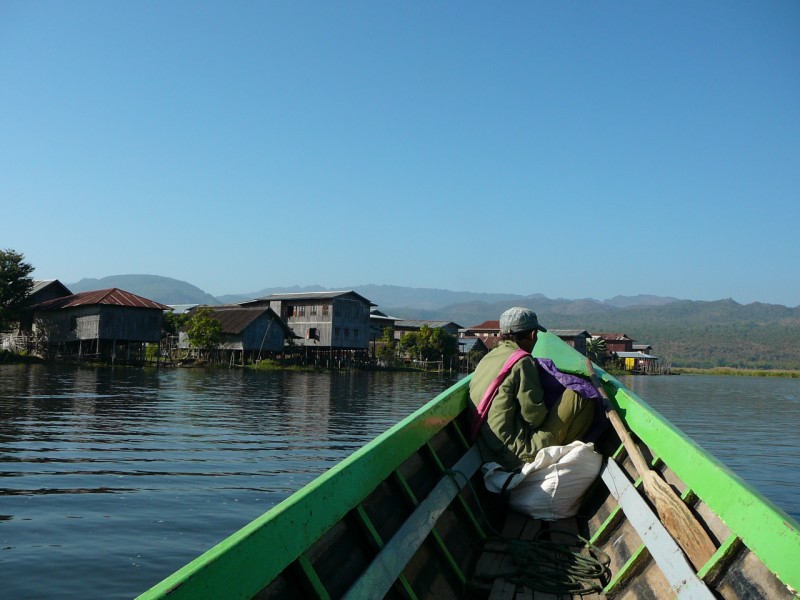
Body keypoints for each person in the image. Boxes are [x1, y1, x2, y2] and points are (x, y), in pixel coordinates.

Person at [469, 307, 595, 470]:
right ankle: (559, 457)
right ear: (533, 335)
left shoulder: (486, 358)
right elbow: (534, 418)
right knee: (582, 392)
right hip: (516, 454)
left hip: (487, 450)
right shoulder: (522, 361)